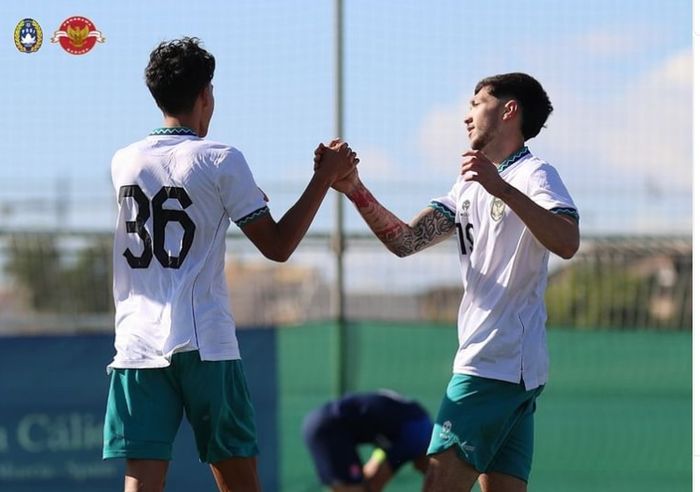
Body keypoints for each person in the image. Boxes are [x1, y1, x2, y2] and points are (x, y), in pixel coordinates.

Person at [102, 37, 357, 492]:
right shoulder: (221, 158)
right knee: (239, 479)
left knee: (140, 480)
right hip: (205, 344)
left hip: (137, 344)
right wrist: (324, 176)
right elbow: (277, 246)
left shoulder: (124, 160)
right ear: (205, 95)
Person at [322, 73, 580, 491]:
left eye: (477, 102)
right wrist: (355, 189)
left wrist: (501, 189)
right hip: (511, 370)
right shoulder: (466, 185)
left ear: (509, 110)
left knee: (438, 484)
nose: (467, 115)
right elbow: (406, 241)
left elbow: (568, 241)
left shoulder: (534, 174)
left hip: (492, 364)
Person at [302, 390, 433, 491]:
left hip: (320, 421)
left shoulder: (414, 423)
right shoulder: (416, 439)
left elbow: (375, 468)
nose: (418, 471)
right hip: (329, 429)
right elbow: (376, 481)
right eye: (424, 471)